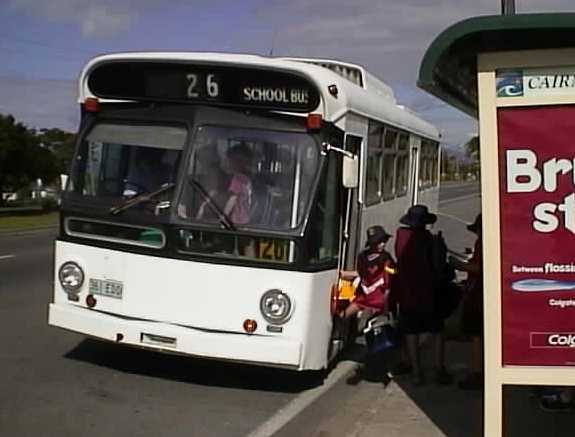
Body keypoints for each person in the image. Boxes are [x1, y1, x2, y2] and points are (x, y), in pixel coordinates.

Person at [391, 204, 452, 386]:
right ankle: (439, 369)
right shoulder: (431, 240)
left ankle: (417, 372)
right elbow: (440, 266)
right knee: (437, 331)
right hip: (430, 293)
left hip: (407, 293)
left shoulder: (401, 237)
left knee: (411, 331)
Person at [449, 213, 483, 390]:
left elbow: (479, 267)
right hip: (479, 293)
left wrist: (458, 265)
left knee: (476, 335)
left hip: (478, 295)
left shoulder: (483, 242)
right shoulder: (485, 242)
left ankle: (478, 373)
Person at [340, 225, 396, 320]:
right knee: (343, 315)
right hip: (363, 296)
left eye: (384, 241)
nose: (382, 244)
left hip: (379, 298)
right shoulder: (362, 257)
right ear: (371, 244)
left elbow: (391, 277)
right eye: (378, 242)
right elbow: (362, 273)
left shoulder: (386, 259)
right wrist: (345, 274)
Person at [223, 143, 254, 225]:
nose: (227, 163)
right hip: (245, 219)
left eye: (229, 160)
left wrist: (223, 217)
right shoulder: (246, 179)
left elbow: (232, 200)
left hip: (236, 220)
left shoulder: (237, 179)